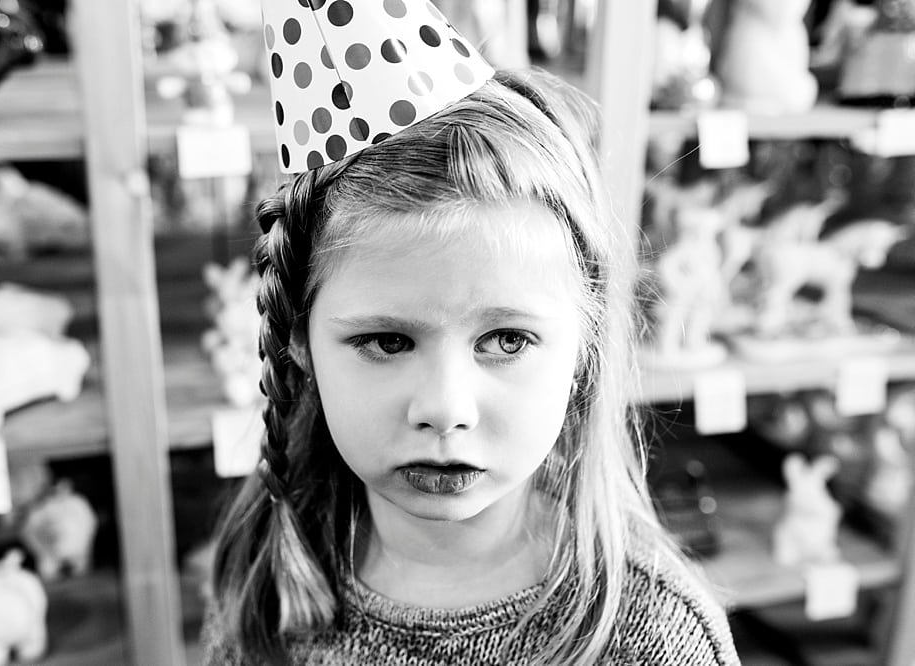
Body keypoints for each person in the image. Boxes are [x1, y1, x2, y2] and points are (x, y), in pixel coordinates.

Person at [202, 3, 741, 664]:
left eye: (508, 341)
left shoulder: (654, 636)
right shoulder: (268, 562)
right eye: (387, 342)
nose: (446, 409)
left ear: (582, 347)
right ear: (299, 342)